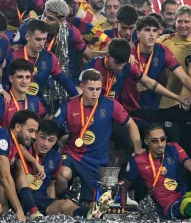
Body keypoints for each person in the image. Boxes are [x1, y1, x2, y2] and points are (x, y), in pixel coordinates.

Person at [53, 69, 144, 204]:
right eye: (91, 89)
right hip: (72, 154)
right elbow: (53, 127)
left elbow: (131, 124)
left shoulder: (111, 105)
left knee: (91, 207)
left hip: (96, 162)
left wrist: (137, 145)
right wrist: (58, 140)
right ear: (82, 87)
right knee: (62, 174)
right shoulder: (69, 105)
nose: (95, 93)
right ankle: (58, 201)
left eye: (98, 89)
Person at [124, 123, 191, 219]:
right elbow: (125, 185)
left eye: (163, 139)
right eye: (155, 141)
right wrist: (121, 209)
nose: (160, 144)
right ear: (146, 142)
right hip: (169, 205)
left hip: (185, 195)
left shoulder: (173, 148)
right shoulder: (138, 160)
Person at [18, 119, 112, 218]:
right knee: (65, 204)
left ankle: (91, 212)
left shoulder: (56, 157)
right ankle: (90, 212)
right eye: (42, 137)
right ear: (36, 134)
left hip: (40, 201)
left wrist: (53, 204)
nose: (45, 143)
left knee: (65, 204)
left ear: (56, 141)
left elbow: (50, 186)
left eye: (50, 140)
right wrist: (34, 162)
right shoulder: (24, 149)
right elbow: (17, 145)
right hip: (23, 197)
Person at [13, 0, 104, 85]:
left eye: (51, 18)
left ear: (61, 21)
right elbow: (13, 50)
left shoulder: (72, 33)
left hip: (59, 80)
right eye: (44, 15)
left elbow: (89, 55)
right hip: (30, 76)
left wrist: (109, 54)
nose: (44, 20)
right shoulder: (28, 26)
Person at [119, 16, 191, 111]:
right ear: (138, 34)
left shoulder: (162, 51)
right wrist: (177, 97)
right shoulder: (129, 52)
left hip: (151, 110)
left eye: (154, 31)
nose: (151, 34)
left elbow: (184, 77)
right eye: (147, 30)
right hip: (126, 109)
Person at [3, 19, 78, 104]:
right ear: (27, 37)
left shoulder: (49, 57)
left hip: (37, 105)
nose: (41, 44)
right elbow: (2, 80)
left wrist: (78, 98)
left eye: (44, 39)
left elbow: (64, 80)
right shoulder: (13, 55)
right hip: (13, 103)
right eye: (38, 39)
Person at [0, 59, 46, 130]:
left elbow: (46, 120)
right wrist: (7, 137)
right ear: (11, 79)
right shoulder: (3, 100)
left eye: (27, 77)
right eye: (20, 77)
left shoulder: (35, 100)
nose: (24, 81)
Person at [158, 5, 191, 108]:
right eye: (179, 21)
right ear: (175, 23)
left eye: (187, 21)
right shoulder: (163, 42)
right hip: (168, 103)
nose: (182, 25)